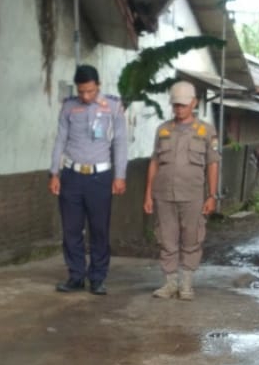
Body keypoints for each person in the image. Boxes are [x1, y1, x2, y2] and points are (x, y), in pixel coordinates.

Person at [48, 64, 128, 295]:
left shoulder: (113, 106)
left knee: (99, 230)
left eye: (90, 91)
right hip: (71, 176)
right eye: (81, 91)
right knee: (71, 230)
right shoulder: (68, 107)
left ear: (98, 86)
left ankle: (97, 278)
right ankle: (75, 276)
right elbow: (60, 140)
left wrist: (120, 175)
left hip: (100, 178)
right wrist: (54, 173)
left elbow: (120, 142)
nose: (85, 96)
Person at [142, 81, 219, 301]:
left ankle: (186, 284)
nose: (179, 109)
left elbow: (213, 163)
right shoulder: (163, 130)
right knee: (166, 238)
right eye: (176, 105)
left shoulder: (206, 131)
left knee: (191, 238)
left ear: (194, 103)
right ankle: (170, 283)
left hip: (193, 195)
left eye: (183, 105)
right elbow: (155, 162)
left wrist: (212, 195)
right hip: (164, 194)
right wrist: (148, 194)